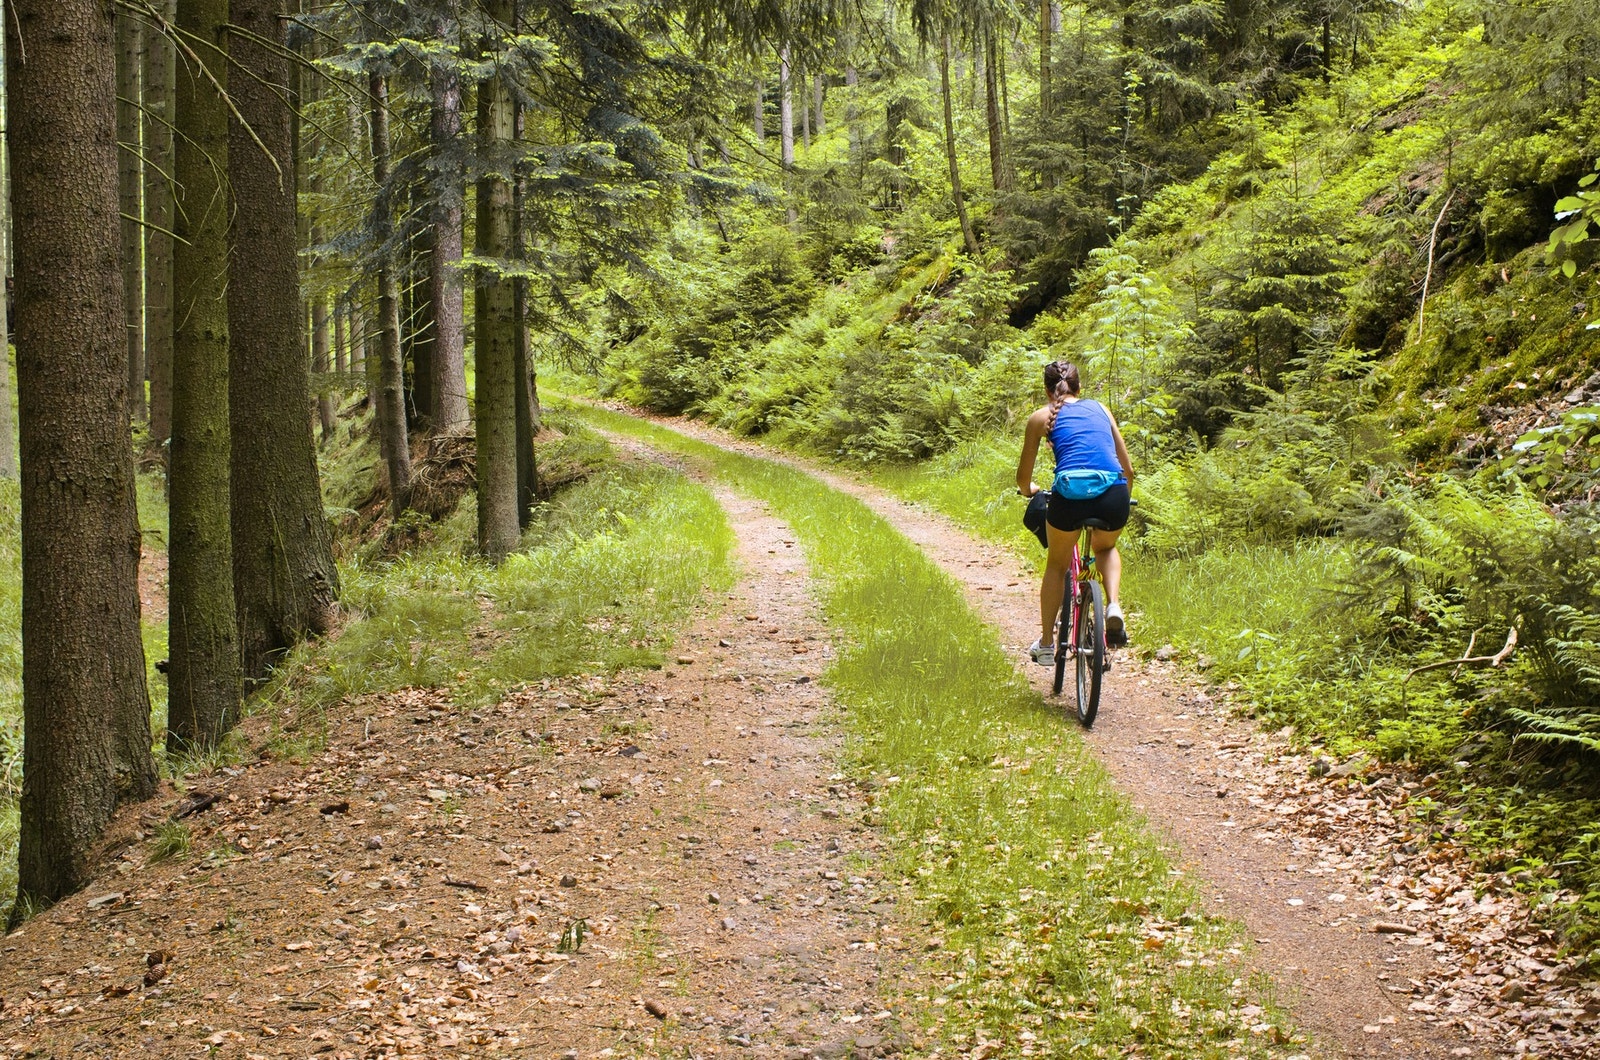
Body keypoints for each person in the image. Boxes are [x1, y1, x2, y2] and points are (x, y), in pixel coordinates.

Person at [1015, 360, 1134, 664]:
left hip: (1069, 497)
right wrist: (1121, 500)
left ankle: (1045, 645)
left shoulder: (1040, 417)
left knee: (1056, 564)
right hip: (1113, 493)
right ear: (1081, 387)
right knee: (1105, 546)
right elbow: (1128, 469)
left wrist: (1030, 490)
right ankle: (1114, 606)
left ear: (1046, 389)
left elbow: (1022, 479)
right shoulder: (1101, 409)